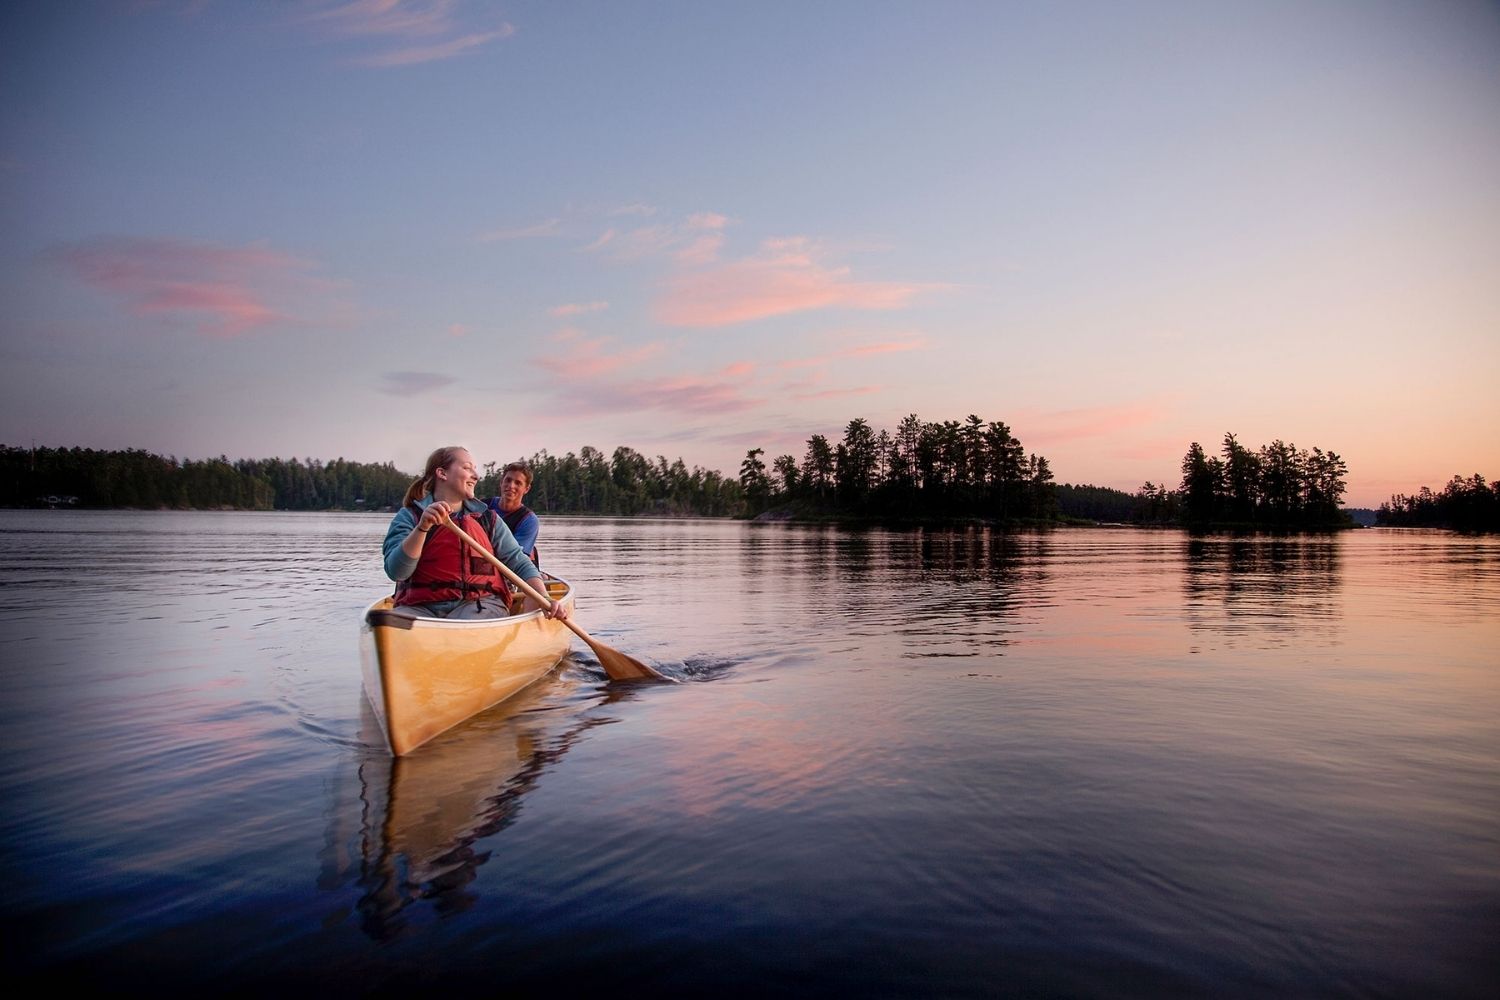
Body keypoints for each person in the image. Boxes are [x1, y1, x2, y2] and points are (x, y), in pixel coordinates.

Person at [382, 446, 568, 621]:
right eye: (467, 468)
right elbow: (397, 572)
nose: (476, 476)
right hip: (419, 606)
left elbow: (519, 562)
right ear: (442, 473)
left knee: (465, 621)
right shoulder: (409, 517)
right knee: (395, 621)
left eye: (475, 470)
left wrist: (544, 597)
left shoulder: (488, 520)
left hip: (479, 605)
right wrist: (422, 528)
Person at [486, 461, 540, 566]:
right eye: (508, 480)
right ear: (501, 482)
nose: (511, 486)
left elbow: (516, 559)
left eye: (518, 483)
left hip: (511, 569)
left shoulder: (528, 520)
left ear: (526, 489)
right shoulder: (482, 506)